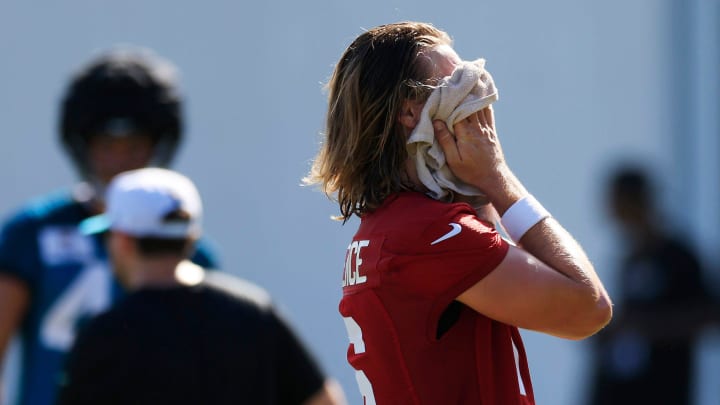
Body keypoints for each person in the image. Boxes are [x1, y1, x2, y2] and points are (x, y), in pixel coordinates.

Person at [304, 21, 613, 405]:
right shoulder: (427, 233)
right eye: (455, 84)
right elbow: (588, 308)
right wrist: (497, 177)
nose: (477, 97)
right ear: (409, 111)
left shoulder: (394, 225)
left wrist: (475, 183)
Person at [0, 47, 219, 405]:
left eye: (134, 145)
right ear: (82, 145)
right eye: (107, 144)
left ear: (157, 146)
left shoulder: (191, 252)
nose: (120, 160)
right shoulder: (30, 234)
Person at [55, 167, 346, 405]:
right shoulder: (254, 312)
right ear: (192, 236)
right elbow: (324, 400)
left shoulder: (105, 334)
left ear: (123, 240)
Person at [586, 166, 713, 405]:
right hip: (616, 391)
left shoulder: (678, 257)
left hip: (662, 390)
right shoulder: (627, 257)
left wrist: (644, 326)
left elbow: (708, 315)